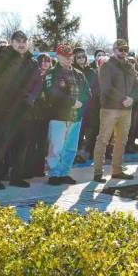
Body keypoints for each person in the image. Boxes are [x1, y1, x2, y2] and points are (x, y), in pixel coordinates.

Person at [0, 31, 40, 189]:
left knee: (21, 146)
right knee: (0, 147)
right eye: (17, 40)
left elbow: (37, 83)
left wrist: (32, 97)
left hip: (24, 111)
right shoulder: (3, 57)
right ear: (11, 42)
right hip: (3, 110)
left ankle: (16, 177)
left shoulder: (31, 62)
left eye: (24, 40)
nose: (21, 43)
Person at [92, 39, 138, 183]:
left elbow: (137, 87)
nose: (123, 52)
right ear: (114, 50)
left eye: (125, 49)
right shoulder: (107, 65)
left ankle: (117, 171)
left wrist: (131, 98)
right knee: (103, 139)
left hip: (127, 109)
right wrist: (123, 98)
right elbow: (106, 88)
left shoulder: (130, 66)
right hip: (110, 108)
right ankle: (98, 172)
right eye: (120, 49)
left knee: (122, 141)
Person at [44, 45, 89, 185]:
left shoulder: (79, 74)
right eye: (64, 56)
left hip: (76, 116)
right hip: (58, 116)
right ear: (57, 56)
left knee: (70, 148)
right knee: (56, 147)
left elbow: (87, 91)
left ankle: (65, 172)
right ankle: (54, 174)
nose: (68, 59)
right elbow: (53, 93)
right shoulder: (52, 73)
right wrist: (71, 102)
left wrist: (80, 103)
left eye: (70, 56)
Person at [24, 53, 53, 178]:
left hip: (46, 114)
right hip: (32, 113)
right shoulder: (34, 74)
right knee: (31, 143)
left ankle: (39, 169)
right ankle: (28, 170)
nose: (45, 63)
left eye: (48, 60)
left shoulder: (51, 76)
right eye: (42, 60)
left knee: (42, 144)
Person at [72, 47, 99, 163]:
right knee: (77, 133)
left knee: (91, 131)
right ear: (74, 58)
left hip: (91, 107)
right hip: (78, 107)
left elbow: (97, 87)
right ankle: (75, 154)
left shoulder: (91, 71)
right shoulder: (72, 71)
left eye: (83, 56)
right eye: (78, 57)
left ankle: (86, 153)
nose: (81, 59)